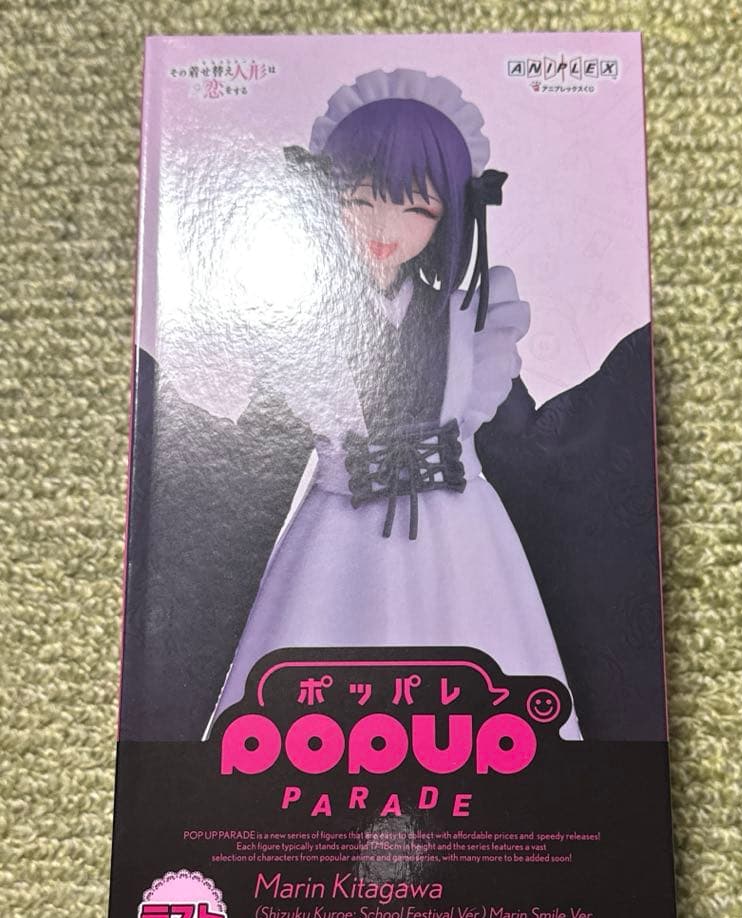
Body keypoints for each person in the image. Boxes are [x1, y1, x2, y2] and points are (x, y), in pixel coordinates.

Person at [202, 68, 583, 741]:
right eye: (360, 201)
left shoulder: (472, 319)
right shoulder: (306, 321)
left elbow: (522, 437)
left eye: (417, 209)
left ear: (448, 216)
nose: (386, 226)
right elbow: (251, 452)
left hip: (461, 532)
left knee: (479, 680)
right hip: (339, 530)